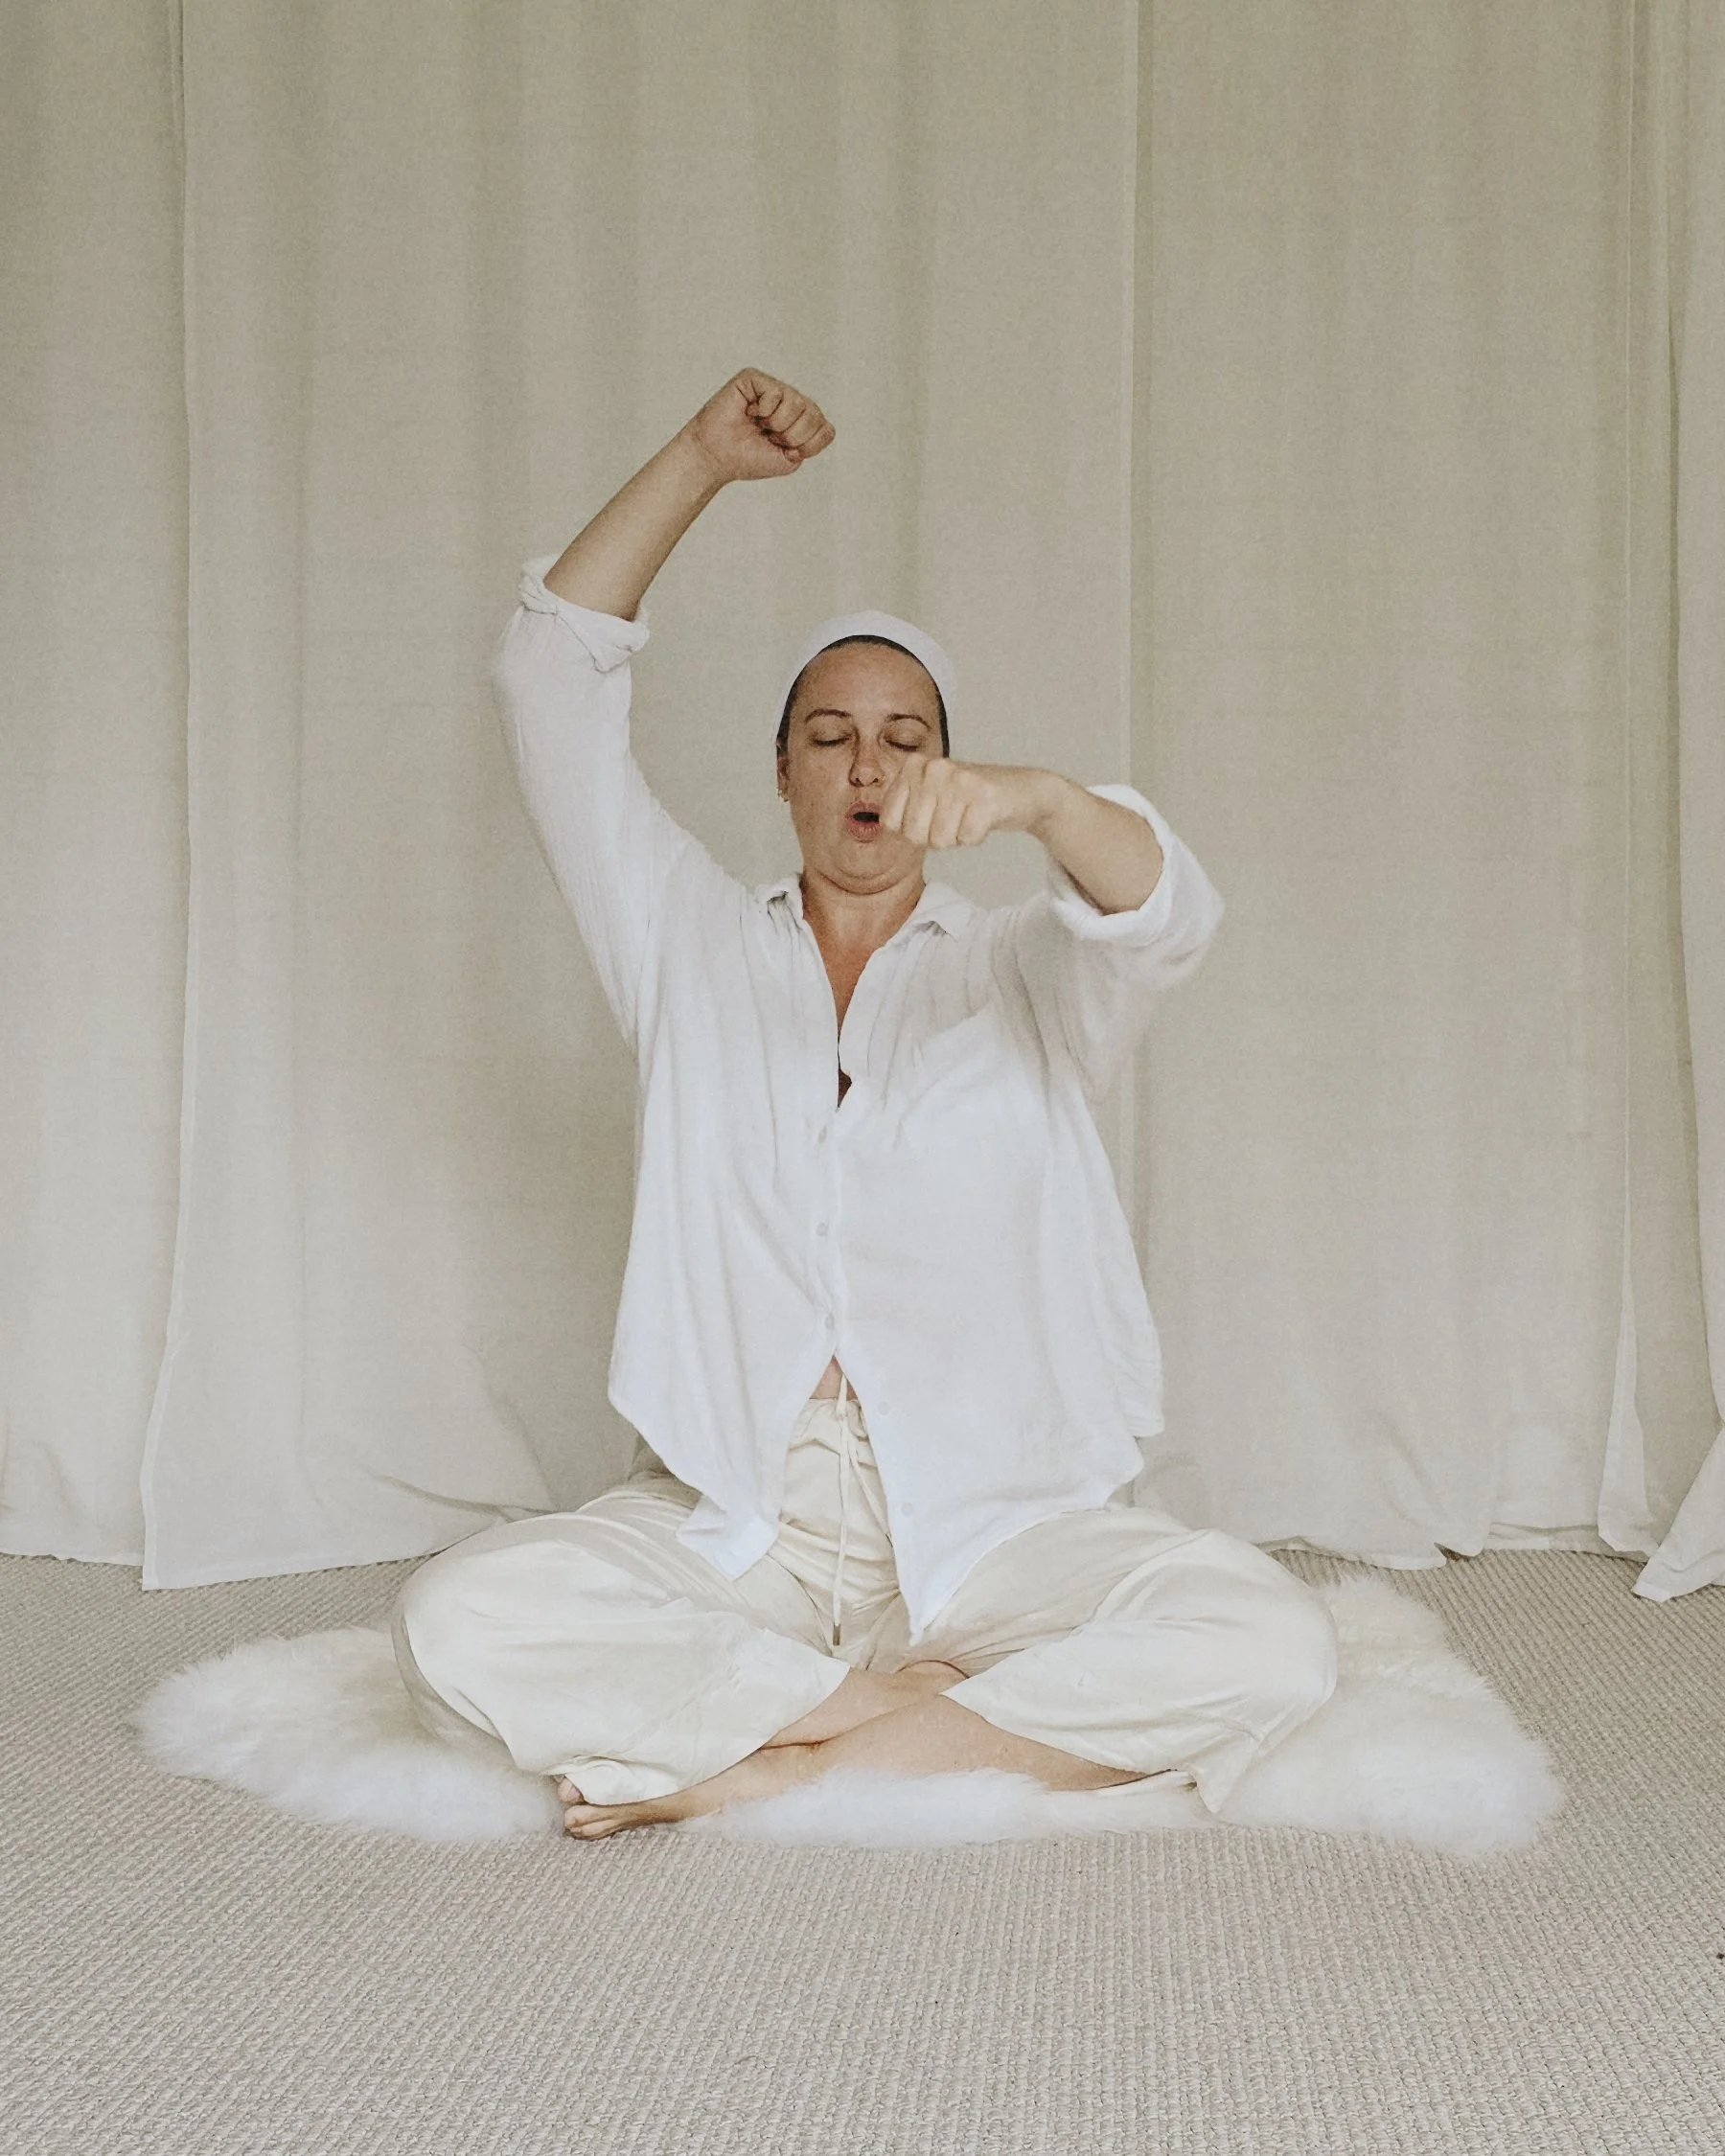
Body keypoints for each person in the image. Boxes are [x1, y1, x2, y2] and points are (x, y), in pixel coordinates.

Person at [391, 368, 1338, 1841]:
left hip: (994, 1516)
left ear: (944, 770)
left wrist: (1040, 801)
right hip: (750, 1516)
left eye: (907, 736)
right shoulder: (687, 946)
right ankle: (899, 1722)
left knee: (1269, 1634)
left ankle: (765, 1754)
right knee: (458, 1620)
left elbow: (1166, 915)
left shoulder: (1027, 972)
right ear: (782, 770)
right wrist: (704, 458)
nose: (870, 765)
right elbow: (546, 679)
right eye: (830, 733)